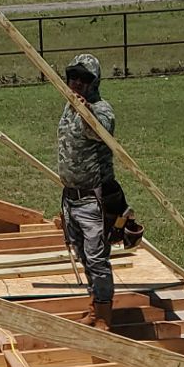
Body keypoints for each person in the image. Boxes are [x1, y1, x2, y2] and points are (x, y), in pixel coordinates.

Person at [55, 53, 142, 330]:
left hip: (93, 199)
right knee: (82, 254)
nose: (77, 82)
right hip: (71, 197)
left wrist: (86, 112)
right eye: (73, 77)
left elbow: (100, 132)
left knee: (97, 258)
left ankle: (104, 313)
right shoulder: (69, 107)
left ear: (95, 82)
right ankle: (94, 304)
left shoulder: (100, 109)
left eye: (84, 78)